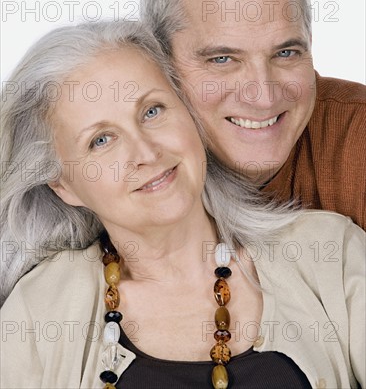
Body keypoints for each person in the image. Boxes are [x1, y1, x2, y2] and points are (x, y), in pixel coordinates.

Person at [0, 21, 364, 389]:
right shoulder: (35, 313)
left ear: (189, 113)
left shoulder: (332, 255)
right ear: (63, 185)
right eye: (101, 140)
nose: (146, 152)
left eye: (152, 111)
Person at [140, 0, 366, 229]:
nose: (262, 96)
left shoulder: (358, 137)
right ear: (159, 60)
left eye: (285, 53)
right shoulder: (120, 159)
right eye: (223, 59)